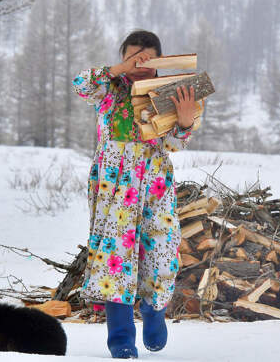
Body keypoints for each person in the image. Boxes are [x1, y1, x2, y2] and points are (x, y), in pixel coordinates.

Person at [73, 30, 196, 358]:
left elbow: (174, 144)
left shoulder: (169, 93)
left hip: (155, 187)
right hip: (113, 188)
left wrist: (184, 122)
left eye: (149, 58)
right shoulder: (108, 90)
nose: (141, 64)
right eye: (134, 57)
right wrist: (117, 69)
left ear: (161, 60)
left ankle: (154, 315)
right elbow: (79, 83)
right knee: (116, 262)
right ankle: (122, 340)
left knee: (161, 255)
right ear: (124, 57)